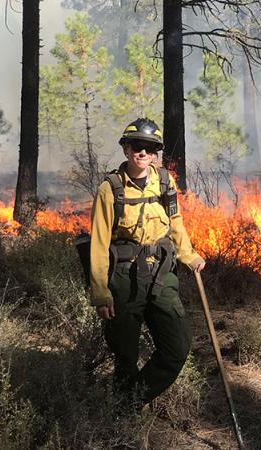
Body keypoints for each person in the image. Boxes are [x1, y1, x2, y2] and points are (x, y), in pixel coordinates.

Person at [89, 117, 205, 411]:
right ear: (126, 149)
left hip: (162, 276)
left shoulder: (165, 182)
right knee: (125, 354)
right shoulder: (110, 188)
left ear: (156, 153)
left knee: (177, 347)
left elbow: (175, 222)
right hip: (124, 279)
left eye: (150, 148)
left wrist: (188, 254)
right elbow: (99, 243)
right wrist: (101, 292)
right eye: (137, 146)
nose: (143, 153)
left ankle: (132, 399)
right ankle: (120, 417)